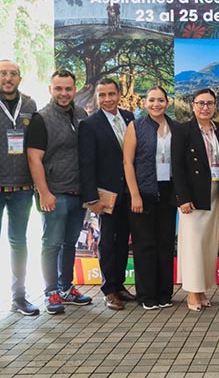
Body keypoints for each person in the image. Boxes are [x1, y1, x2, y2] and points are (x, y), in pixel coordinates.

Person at [26, 69, 92, 315]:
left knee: (70, 243)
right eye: (59, 88)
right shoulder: (40, 119)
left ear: (75, 89)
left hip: (78, 192)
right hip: (54, 193)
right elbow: (34, 159)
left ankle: (66, 288)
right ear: (50, 89)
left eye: (68, 89)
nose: (64, 93)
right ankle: (51, 291)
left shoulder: (81, 114)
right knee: (51, 243)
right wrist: (44, 192)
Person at [79, 78, 135, 311]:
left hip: (129, 192)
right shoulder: (90, 124)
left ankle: (119, 285)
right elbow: (86, 164)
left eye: (111, 94)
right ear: (97, 97)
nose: (107, 99)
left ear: (119, 94)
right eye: (102, 95)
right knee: (108, 243)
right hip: (106, 194)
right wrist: (92, 198)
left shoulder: (130, 118)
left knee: (123, 241)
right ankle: (109, 290)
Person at [172, 88, 219, 312]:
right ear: (193, 105)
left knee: (207, 243)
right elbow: (177, 166)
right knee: (193, 243)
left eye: (209, 103)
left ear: (215, 106)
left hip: (214, 191)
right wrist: (182, 198)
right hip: (193, 194)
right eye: (201, 103)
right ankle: (192, 292)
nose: (205, 107)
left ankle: (202, 288)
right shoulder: (183, 130)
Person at [123, 86, 176, 310]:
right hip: (142, 192)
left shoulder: (175, 127)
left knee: (165, 243)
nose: (156, 104)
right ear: (145, 103)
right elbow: (127, 162)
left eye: (161, 100)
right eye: (152, 100)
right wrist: (134, 194)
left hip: (168, 192)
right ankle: (146, 295)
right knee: (145, 244)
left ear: (167, 102)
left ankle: (164, 293)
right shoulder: (135, 126)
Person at [0, 59, 39, 316]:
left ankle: (19, 297)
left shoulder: (29, 105)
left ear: (20, 78)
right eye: (3, 73)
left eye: (13, 73)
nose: (8, 78)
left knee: (19, 243)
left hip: (23, 187)